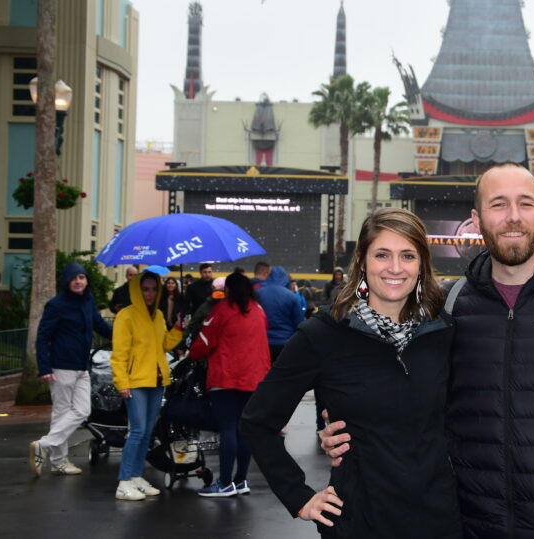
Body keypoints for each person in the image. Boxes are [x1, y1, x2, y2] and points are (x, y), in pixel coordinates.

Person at [321, 163, 534, 538]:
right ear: (476, 220)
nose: (513, 217)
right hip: (467, 523)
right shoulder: (445, 306)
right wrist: (338, 429)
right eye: (499, 205)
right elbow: (395, 395)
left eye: (525, 204)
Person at [241, 208, 462, 537]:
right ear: (361, 260)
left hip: (437, 520)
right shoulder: (322, 334)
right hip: (359, 522)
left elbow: (460, 420)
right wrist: (300, 497)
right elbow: (258, 421)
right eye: (382, 254)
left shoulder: (442, 332)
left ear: (421, 264)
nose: (395, 268)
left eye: (408, 255)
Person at [189, 272, 270, 497]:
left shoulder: (222, 310)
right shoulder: (258, 311)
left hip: (225, 378)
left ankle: (224, 483)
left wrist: (191, 355)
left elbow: (203, 342)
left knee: (227, 430)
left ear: (228, 290)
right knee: (244, 431)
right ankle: (240, 480)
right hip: (254, 379)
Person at [29, 262, 113, 477]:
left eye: (82, 277)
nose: (78, 281)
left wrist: (124, 335)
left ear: (86, 280)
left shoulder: (88, 301)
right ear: (67, 281)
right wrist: (44, 366)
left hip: (82, 366)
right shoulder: (56, 305)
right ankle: (59, 462)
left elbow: (100, 325)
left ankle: (44, 445)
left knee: (83, 410)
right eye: (74, 278)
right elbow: (42, 337)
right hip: (61, 367)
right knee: (61, 413)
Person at [110, 271, 184, 501]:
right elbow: (119, 354)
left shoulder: (159, 315)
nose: (150, 293)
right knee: (138, 431)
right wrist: (122, 382)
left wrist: (179, 328)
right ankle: (124, 481)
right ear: (137, 290)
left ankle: (135, 476)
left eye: (153, 289)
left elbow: (164, 345)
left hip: (156, 380)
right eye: (145, 289)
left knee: (147, 432)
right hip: (135, 382)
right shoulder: (126, 316)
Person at [256, 265, 305, 363]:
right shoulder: (292, 297)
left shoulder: (258, 293)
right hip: (285, 342)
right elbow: (299, 322)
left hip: (263, 342)